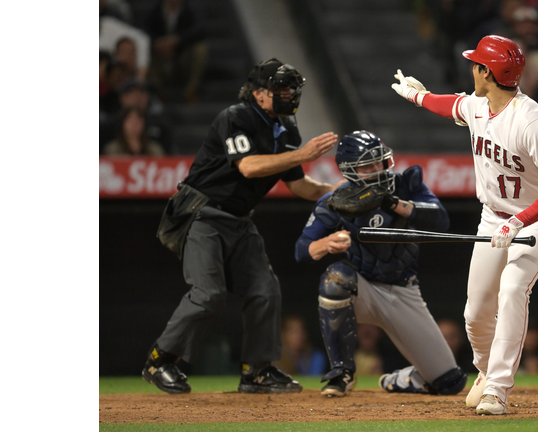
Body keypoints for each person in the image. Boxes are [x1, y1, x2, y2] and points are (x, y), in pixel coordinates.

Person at [391, 35, 538, 415]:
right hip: (493, 216)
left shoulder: (531, 120)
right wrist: (417, 96)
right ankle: (485, 370)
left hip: (536, 220)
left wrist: (521, 221)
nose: (471, 68)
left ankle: (498, 389)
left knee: (512, 290)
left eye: (477, 64)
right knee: (474, 312)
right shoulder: (479, 105)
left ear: (487, 73)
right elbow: (451, 105)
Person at [141, 58, 339, 395]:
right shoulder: (236, 117)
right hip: (202, 212)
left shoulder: (286, 128)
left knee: (265, 289)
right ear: (260, 94)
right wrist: (302, 154)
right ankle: (160, 361)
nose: (289, 93)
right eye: (281, 87)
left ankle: (257, 371)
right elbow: (247, 166)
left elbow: (299, 185)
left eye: (292, 87)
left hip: (239, 219)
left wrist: (340, 192)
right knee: (208, 294)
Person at [294, 130, 468, 398]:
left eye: (380, 162)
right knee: (335, 278)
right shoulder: (336, 200)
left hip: (403, 291)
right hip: (363, 289)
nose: (377, 170)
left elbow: (440, 220)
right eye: (367, 165)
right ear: (349, 170)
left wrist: (392, 203)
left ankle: (402, 379)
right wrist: (326, 244)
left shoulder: (405, 185)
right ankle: (342, 372)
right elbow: (302, 250)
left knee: (449, 383)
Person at [143, 0, 208, 103]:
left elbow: (200, 29)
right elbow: (144, 30)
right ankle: (158, 92)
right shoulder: (155, 10)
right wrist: (159, 43)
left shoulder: (191, 9)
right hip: (160, 55)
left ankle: (191, 90)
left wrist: (178, 41)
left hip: (182, 55)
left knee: (200, 49)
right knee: (144, 50)